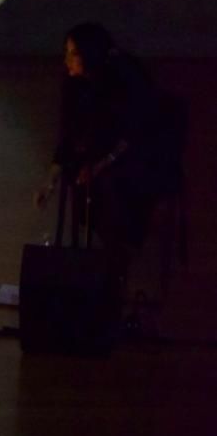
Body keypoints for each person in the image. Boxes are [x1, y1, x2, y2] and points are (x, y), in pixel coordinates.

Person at [34, 21, 182, 259]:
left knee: (112, 184)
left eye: (74, 54)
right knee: (84, 177)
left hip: (140, 154)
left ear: (90, 54)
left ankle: (116, 252)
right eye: (66, 53)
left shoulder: (124, 77)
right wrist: (50, 180)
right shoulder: (74, 85)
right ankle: (102, 251)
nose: (67, 60)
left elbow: (134, 133)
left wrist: (99, 165)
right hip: (103, 154)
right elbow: (68, 133)